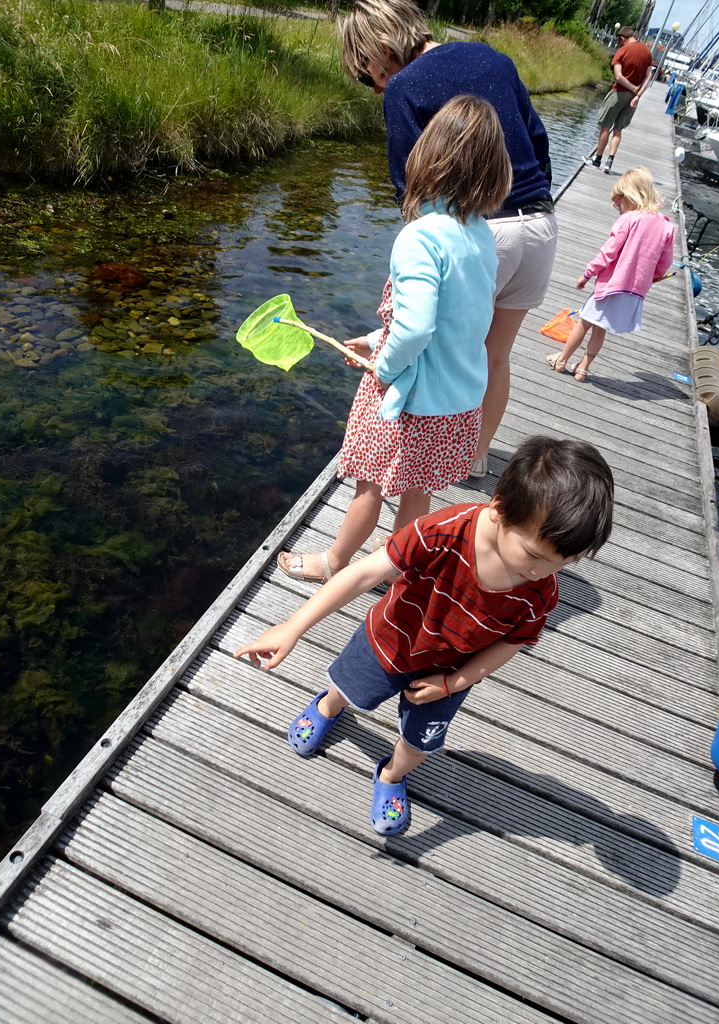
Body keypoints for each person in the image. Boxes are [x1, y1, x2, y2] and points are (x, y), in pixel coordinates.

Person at [235, 436, 614, 836]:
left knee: (419, 742)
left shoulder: (542, 589)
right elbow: (365, 573)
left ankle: (392, 775)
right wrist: (294, 626)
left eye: (562, 564)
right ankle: (328, 707)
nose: (541, 573)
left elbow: (512, 642)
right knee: (348, 687)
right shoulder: (442, 532)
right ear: (499, 510)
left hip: (450, 673)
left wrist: (455, 682)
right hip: (391, 639)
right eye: (534, 556)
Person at [278, 95, 512, 584]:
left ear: (428, 159)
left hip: (408, 401)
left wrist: (383, 367)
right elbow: (456, 319)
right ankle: (401, 571)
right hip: (457, 402)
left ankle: (335, 562)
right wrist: (373, 337)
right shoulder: (482, 236)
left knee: (369, 486)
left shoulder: (421, 237)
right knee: (417, 491)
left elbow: (416, 327)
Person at [340, 0, 558, 479]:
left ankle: (423, 458)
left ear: (380, 49)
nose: (373, 84)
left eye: (365, 73)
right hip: (540, 225)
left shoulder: (402, 87)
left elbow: (410, 192)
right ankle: (472, 457)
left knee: (444, 344)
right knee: (496, 355)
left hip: (481, 229)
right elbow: (538, 140)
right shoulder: (490, 56)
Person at [545, 167, 675, 382]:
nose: (617, 207)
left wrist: (587, 274)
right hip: (634, 290)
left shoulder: (629, 219)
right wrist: (653, 276)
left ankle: (561, 360)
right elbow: (664, 262)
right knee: (600, 328)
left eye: (618, 202)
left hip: (611, 284)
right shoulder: (665, 225)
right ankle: (583, 369)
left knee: (584, 322)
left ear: (631, 196)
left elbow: (609, 252)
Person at [584, 27, 653, 176]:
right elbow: (649, 76)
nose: (619, 44)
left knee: (605, 126)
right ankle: (609, 162)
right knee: (618, 129)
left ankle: (597, 161)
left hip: (619, 93)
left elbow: (619, 77)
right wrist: (638, 95)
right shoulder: (647, 51)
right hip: (633, 100)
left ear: (622, 38)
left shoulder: (623, 51)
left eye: (618, 41)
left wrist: (633, 89)